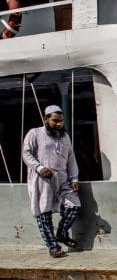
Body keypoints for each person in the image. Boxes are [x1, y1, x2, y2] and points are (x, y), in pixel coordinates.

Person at [22, 105, 81, 258]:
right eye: (55, 121)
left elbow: (71, 159)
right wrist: (40, 168)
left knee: (74, 206)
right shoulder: (34, 133)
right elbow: (26, 154)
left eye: (61, 121)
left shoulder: (65, 137)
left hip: (62, 179)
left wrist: (74, 178)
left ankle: (61, 233)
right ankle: (53, 247)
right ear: (46, 119)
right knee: (44, 213)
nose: (59, 124)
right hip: (43, 180)